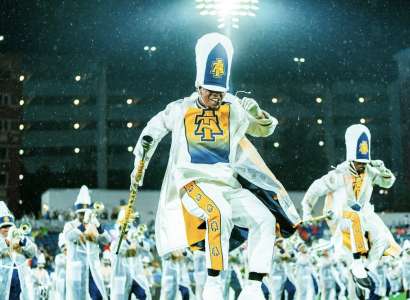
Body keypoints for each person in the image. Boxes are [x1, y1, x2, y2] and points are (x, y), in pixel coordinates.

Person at [130, 32, 300, 300]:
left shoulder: (233, 107)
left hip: (228, 184)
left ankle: (254, 286)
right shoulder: (180, 109)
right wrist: (140, 163)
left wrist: (258, 115)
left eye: (221, 91)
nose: (216, 97)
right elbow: (152, 132)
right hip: (193, 183)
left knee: (264, 218)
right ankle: (213, 282)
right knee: (217, 212)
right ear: (199, 86)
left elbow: (264, 130)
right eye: (211, 91)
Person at [301, 124, 401, 289]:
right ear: (351, 160)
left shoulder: (369, 171)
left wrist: (383, 170)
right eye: (359, 162)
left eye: (364, 162)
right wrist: (306, 211)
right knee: (356, 217)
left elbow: (388, 183)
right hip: (342, 216)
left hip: (365, 214)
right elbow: (315, 189)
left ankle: (366, 270)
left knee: (382, 238)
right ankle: (356, 263)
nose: (363, 165)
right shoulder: (339, 175)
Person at [63, 185, 111, 300]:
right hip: (78, 268)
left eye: (85, 213)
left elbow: (107, 240)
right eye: (81, 213)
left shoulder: (94, 225)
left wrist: (99, 226)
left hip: (92, 268)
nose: (83, 215)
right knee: (77, 297)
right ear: (76, 213)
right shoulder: (70, 225)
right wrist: (84, 224)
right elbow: (70, 237)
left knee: (97, 296)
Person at [110, 209, 152, 300]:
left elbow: (148, 248)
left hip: (135, 277)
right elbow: (129, 252)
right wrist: (133, 243)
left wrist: (139, 241)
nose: (125, 232)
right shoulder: (115, 244)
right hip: (121, 278)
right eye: (123, 229)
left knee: (143, 295)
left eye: (126, 230)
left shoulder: (134, 240)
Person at [0, 201, 37, 300]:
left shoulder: (17, 236)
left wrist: (22, 243)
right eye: (4, 227)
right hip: (2, 283)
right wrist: (10, 244)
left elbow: (33, 251)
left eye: (9, 226)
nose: (7, 229)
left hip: (20, 282)